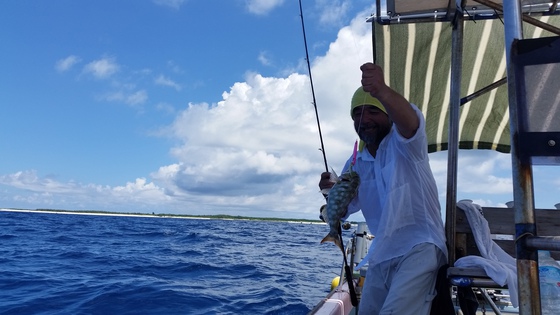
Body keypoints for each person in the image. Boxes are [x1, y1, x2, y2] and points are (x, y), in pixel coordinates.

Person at [319, 62, 448, 315]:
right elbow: (346, 208)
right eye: (357, 113)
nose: (363, 119)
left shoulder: (405, 144)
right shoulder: (356, 162)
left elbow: (411, 123)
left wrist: (382, 91)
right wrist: (330, 192)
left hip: (420, 246)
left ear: (388, 114)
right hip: (382, 251)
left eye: (373, 112)